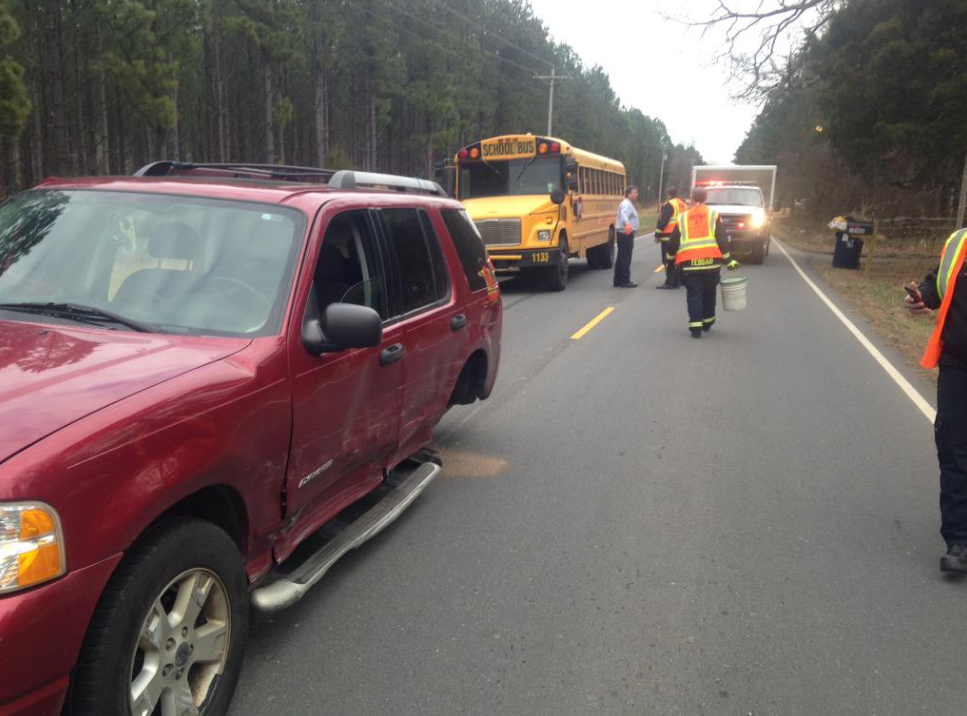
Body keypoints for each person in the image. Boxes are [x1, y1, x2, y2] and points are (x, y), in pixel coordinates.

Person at [905, 226, 967, 572]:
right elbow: (939, 282)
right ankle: (959, 541)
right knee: (954, 448)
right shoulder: (959, 241)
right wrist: (923, 297)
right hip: (958, 364)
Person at [666, 186, 740, 337]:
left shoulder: (683, 217)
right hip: (711, 264)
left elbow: (673, 242)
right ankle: (707, 322)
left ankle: (695, 328)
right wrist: (729, 259)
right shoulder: (713, 215)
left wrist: (670, 260)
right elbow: (722, 238)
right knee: (710, 292)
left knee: (694, 294)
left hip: (689, 264)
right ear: (706, 198)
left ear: (692, 199)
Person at [655, 187, 687, 289]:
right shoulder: (683, 204)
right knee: (677, 259)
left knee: (668, 260)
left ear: (668, 194)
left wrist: (657, 234)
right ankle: (677, 281)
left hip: (668, 236)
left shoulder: (669, 204)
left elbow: (664, 220)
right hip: (680, 235)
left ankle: (670, 282)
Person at [614, 185, 639, 288]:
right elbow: (624, 215)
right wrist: (627, 224)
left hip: (623, 233)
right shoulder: (627, 204)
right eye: (635, 193)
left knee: (621, 257)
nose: (637, 195)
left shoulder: (627, 203)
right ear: (629, 194)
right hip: (626, 234)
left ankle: (618, 280)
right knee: (625, 257)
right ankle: (625, 280)